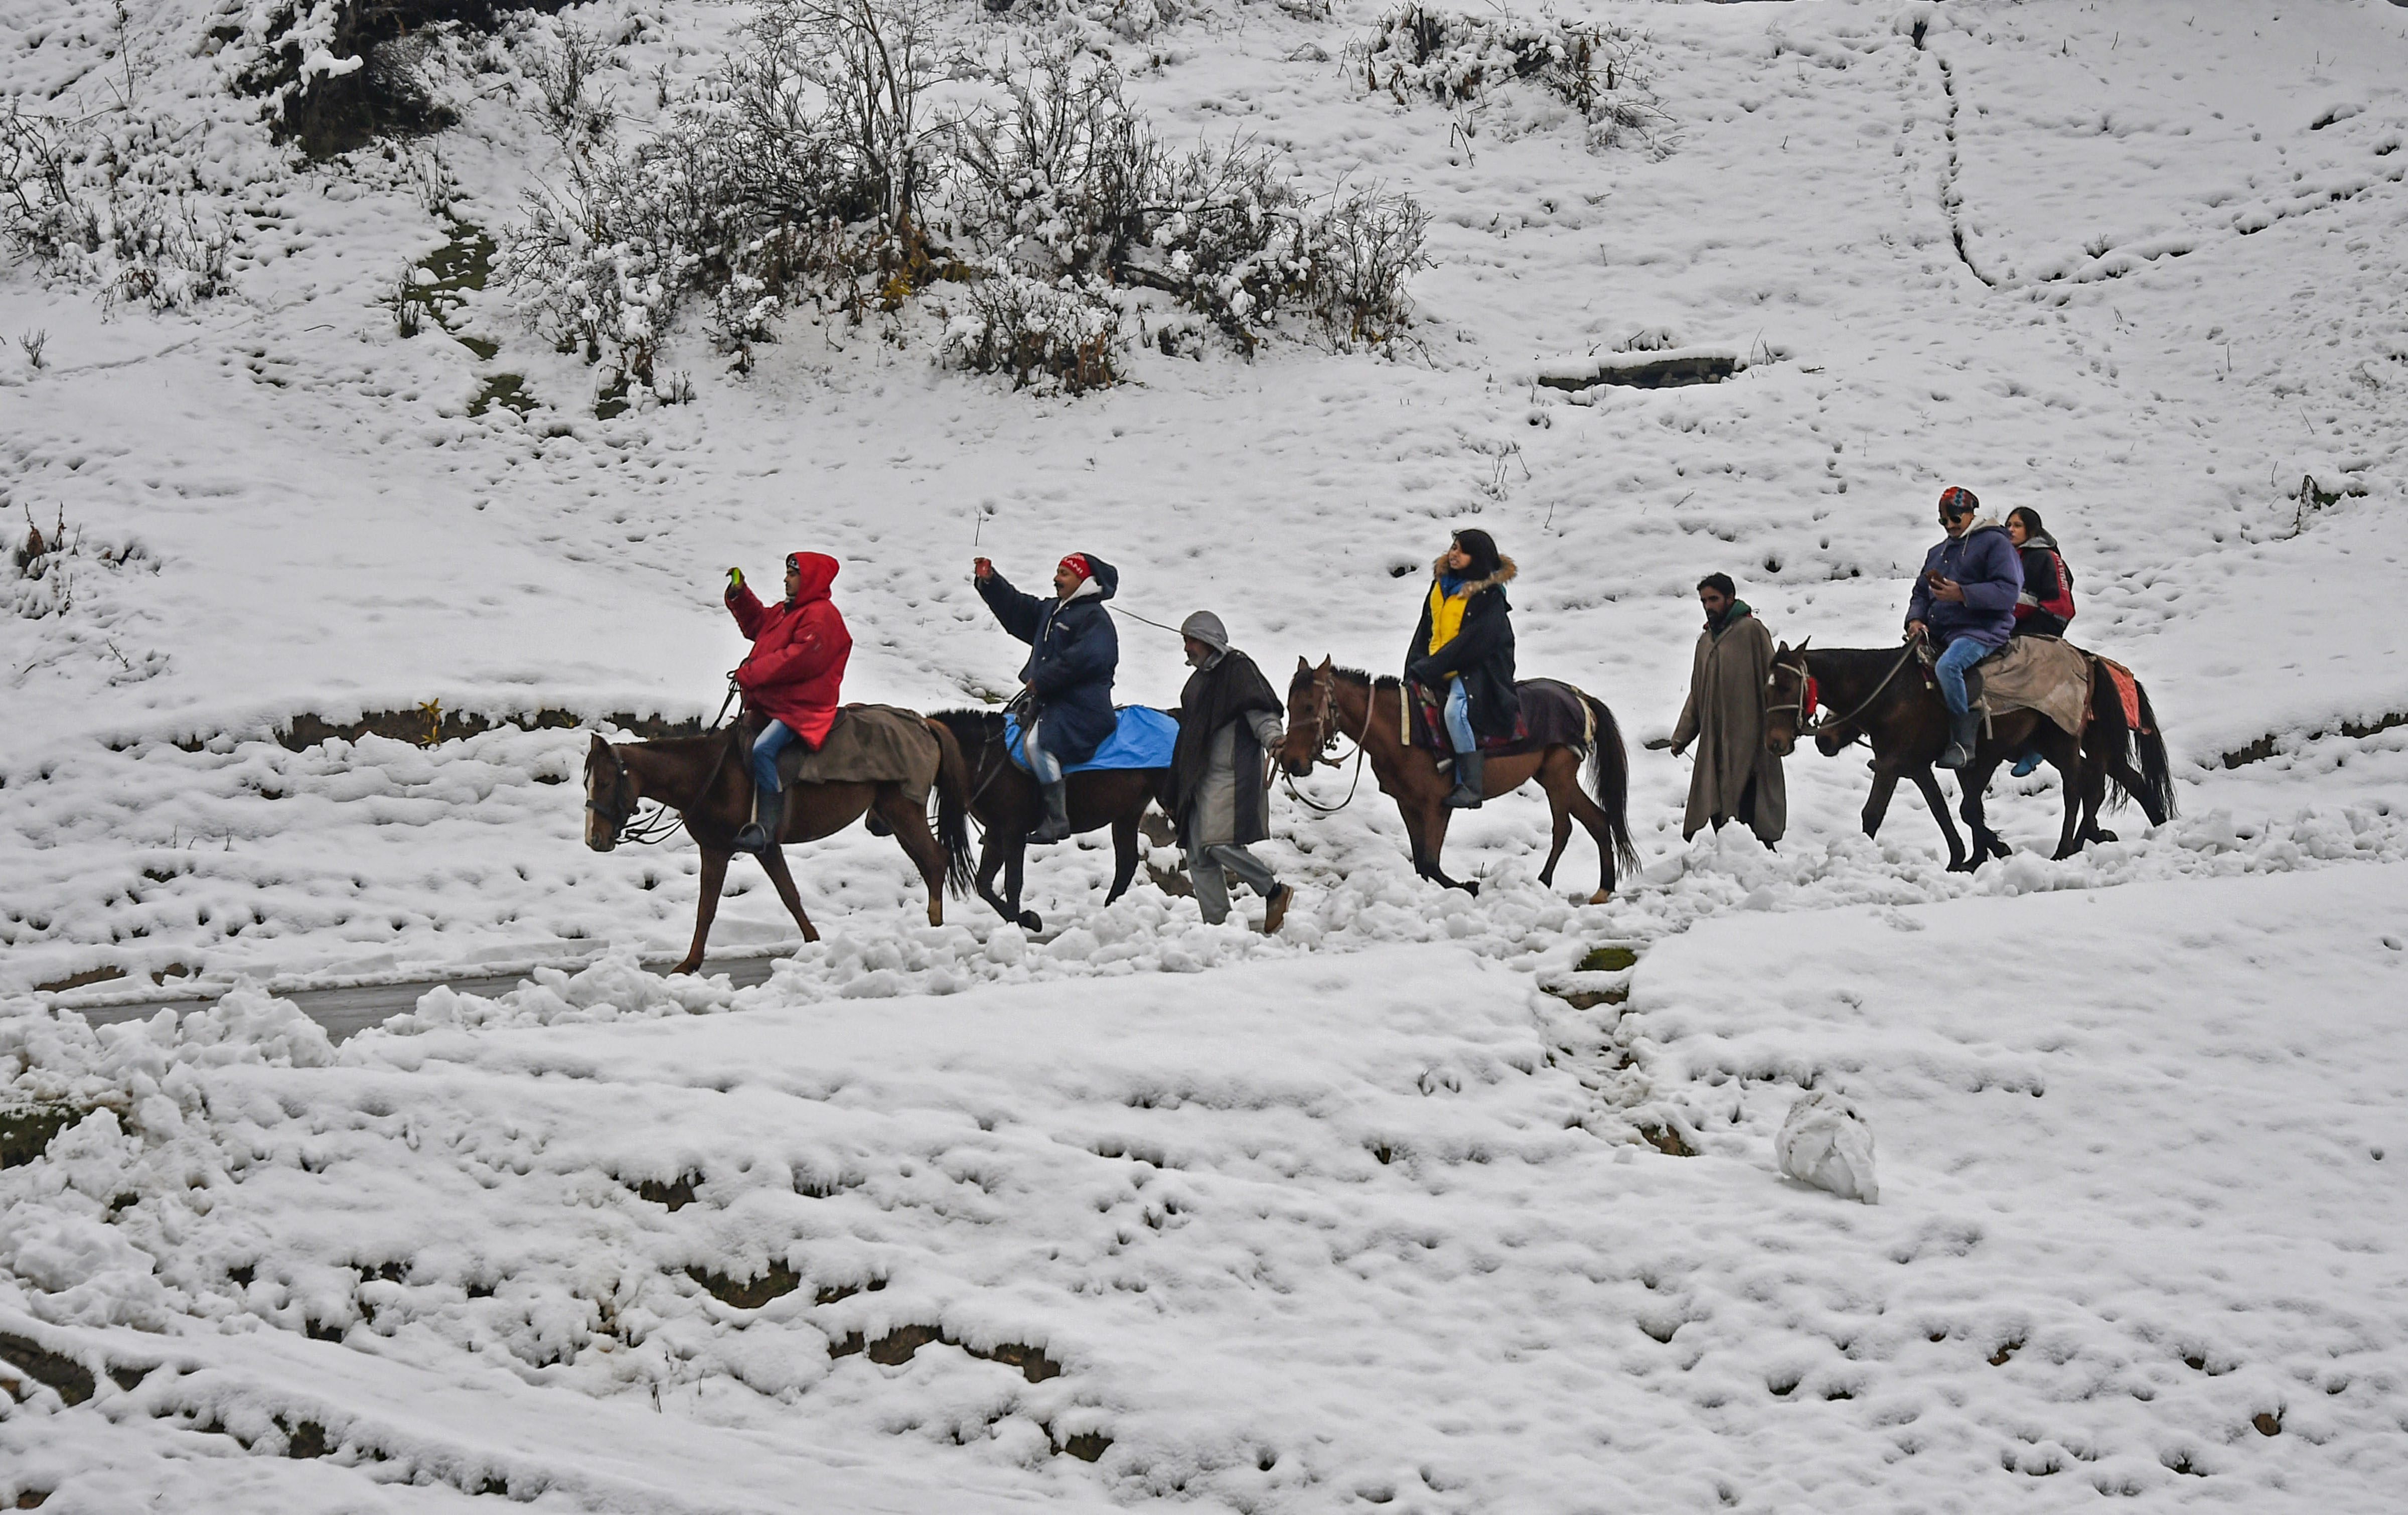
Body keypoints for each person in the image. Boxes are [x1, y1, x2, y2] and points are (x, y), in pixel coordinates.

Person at [973, 552, 1121, 843]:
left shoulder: (1096, 619)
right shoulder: (1054, 610)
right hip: (1050, 701)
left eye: (1064, 574)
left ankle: (1057, 820)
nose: (1056, 579)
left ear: (1084, 580)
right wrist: (991, 582)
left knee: (1037, 745)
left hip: (1082, 708)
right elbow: (1018, 610)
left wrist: (1042, 679)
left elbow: (1087, 658)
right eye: (1057, 572)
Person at [1170, 612, 1294, 932]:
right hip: (1200, 777)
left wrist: (1275, 740)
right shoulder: (1198, 681)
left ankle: (1274, 891)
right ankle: (1220, 927)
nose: (1186, 647)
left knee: (1219, 843)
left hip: (1232, 774)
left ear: (1208, 639)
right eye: (1184, 640)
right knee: (1197, 854)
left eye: (1191, 640)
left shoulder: (1239, 669)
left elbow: (1262, 713)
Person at [724, 552, 852, 853]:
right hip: (779, 703)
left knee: (763, 749)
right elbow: (759, 623)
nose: (786, 579)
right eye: (787, 574)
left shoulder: (821, 616)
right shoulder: (788, 612)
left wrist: (751, 674)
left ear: (810, 580)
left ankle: (767, 828)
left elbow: (797, 660)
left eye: (793, 575)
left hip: (802, 708)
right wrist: (740, 595)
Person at [1905, 486, 2023, 770]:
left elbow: (2009, 592)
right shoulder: (1937, 552)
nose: (1950, 525)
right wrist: (1915, 620)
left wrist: (1963, 594)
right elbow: (1921, 592)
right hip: (1939, 632)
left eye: (1955, 517)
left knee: (1948, 667)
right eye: (1943, 520)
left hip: (1982, 630)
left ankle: (1963, 742)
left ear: (1972, 513)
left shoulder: (1997, 545)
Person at [1405, 527, 1518, 810]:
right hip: (1440, 663)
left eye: (1462, 550)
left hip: (1479, 667)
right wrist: (1413, 669)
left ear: (1477, 558)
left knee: (1455, 712)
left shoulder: (1489, 596)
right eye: (1453, 547)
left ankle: (1470, 785)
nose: (1453, 554)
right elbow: (1425, 630)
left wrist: (1432, 667)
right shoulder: (1440, 587)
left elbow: (1474, 643)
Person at [1671, 574, 1786, 846]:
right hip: (1715, 741)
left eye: (1713, 599)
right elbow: (1698, 694)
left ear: (1730, 598)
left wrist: (1782, 726)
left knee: (1750, 805)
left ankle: (1762, 863)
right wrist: (1682, 736)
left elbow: (1776, 682)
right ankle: (1729, 864)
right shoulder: (1705, 642)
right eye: (1703, 601)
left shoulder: (1752, 632)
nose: (1708, 606)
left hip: (1750, 738)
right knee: (1717, 803)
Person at [2006, 507, 2076, 639]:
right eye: (2008, 525)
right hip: (2001, 631)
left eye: (2018, 526)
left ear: (2032, 530)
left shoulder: (2047, 557)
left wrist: (2027, 632)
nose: (2011, 530)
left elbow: (2061, 608)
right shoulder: (2003, 558)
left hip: (2034, 637)